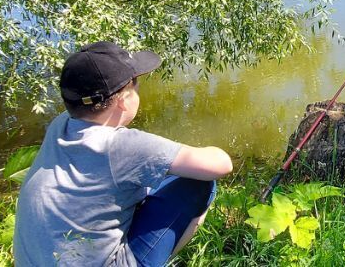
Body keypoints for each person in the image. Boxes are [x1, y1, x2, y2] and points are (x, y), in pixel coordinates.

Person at [14, 41, 234, 266]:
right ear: (122, 100)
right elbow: (221, 165)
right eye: (135, 84)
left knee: (159, 173)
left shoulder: (60, 125)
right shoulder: (121, 146)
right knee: (199, 182)